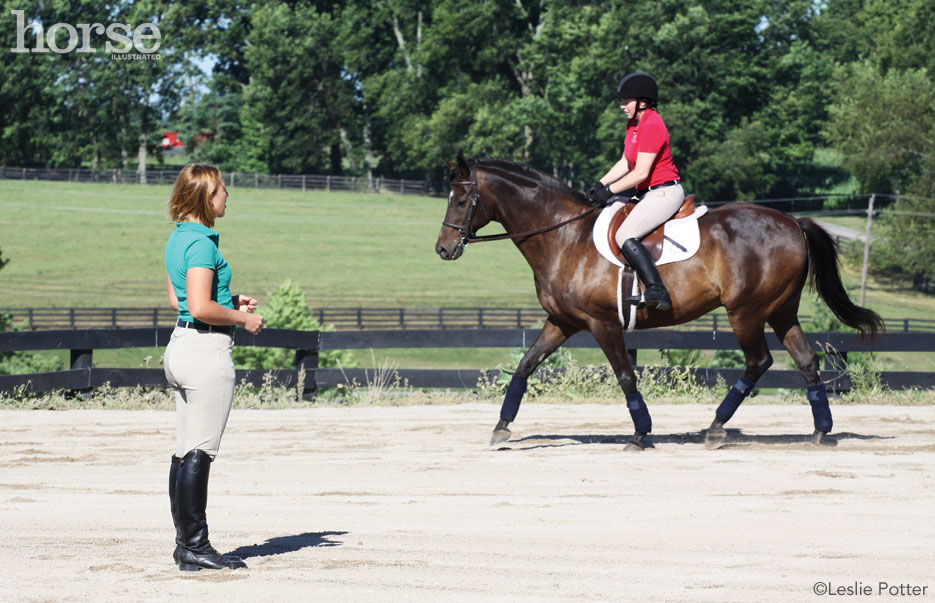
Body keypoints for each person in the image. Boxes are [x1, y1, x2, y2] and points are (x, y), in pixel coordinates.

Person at [163, 163, 265, 571]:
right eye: (223, 189)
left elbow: (180, 302)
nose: (227, 195)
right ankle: (196, 547)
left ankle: (184, 544)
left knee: (183, 451)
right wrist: (243, 318)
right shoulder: (204, 242)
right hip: (205, 352)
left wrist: (231, 297)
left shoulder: (178, 238)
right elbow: (201, 306)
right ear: (207, 196)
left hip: (180, 345)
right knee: (200, 453)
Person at [587, 72, 683, 311]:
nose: (622, 106)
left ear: (643, 101)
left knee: (624, 235)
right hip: (647, 193)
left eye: (626, 101)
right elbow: (625, 162)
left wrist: (609, 191)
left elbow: (640, 173)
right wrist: (600, 184)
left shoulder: (652, 124)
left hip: (664, 193)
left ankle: (657, 290)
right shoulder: (634, 124)